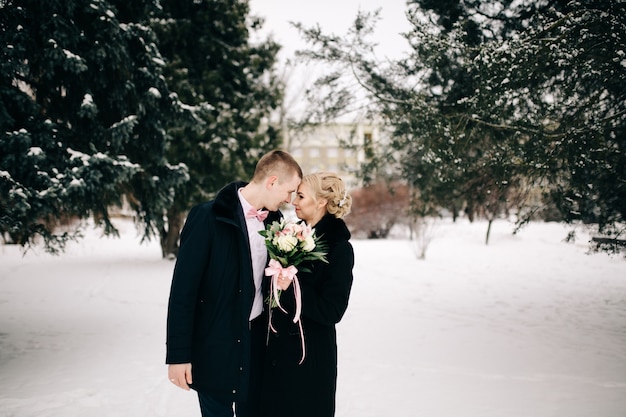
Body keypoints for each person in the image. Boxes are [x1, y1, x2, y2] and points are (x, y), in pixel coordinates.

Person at [166, 150, 303, 417]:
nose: (289, 200)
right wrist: (178, 355)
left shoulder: (276, 222)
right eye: (289, 191)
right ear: (272, 181)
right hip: (214, 345)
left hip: (256, 344)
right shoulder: (206, 217)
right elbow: (183, 291)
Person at [260, 171, 355, 417]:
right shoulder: (287, 237)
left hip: (309, 360)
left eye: (301, 196)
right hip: (275, 356)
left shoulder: (339, 249)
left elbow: (332, 310)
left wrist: (291, 287)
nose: (293, 202)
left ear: (321, 201)